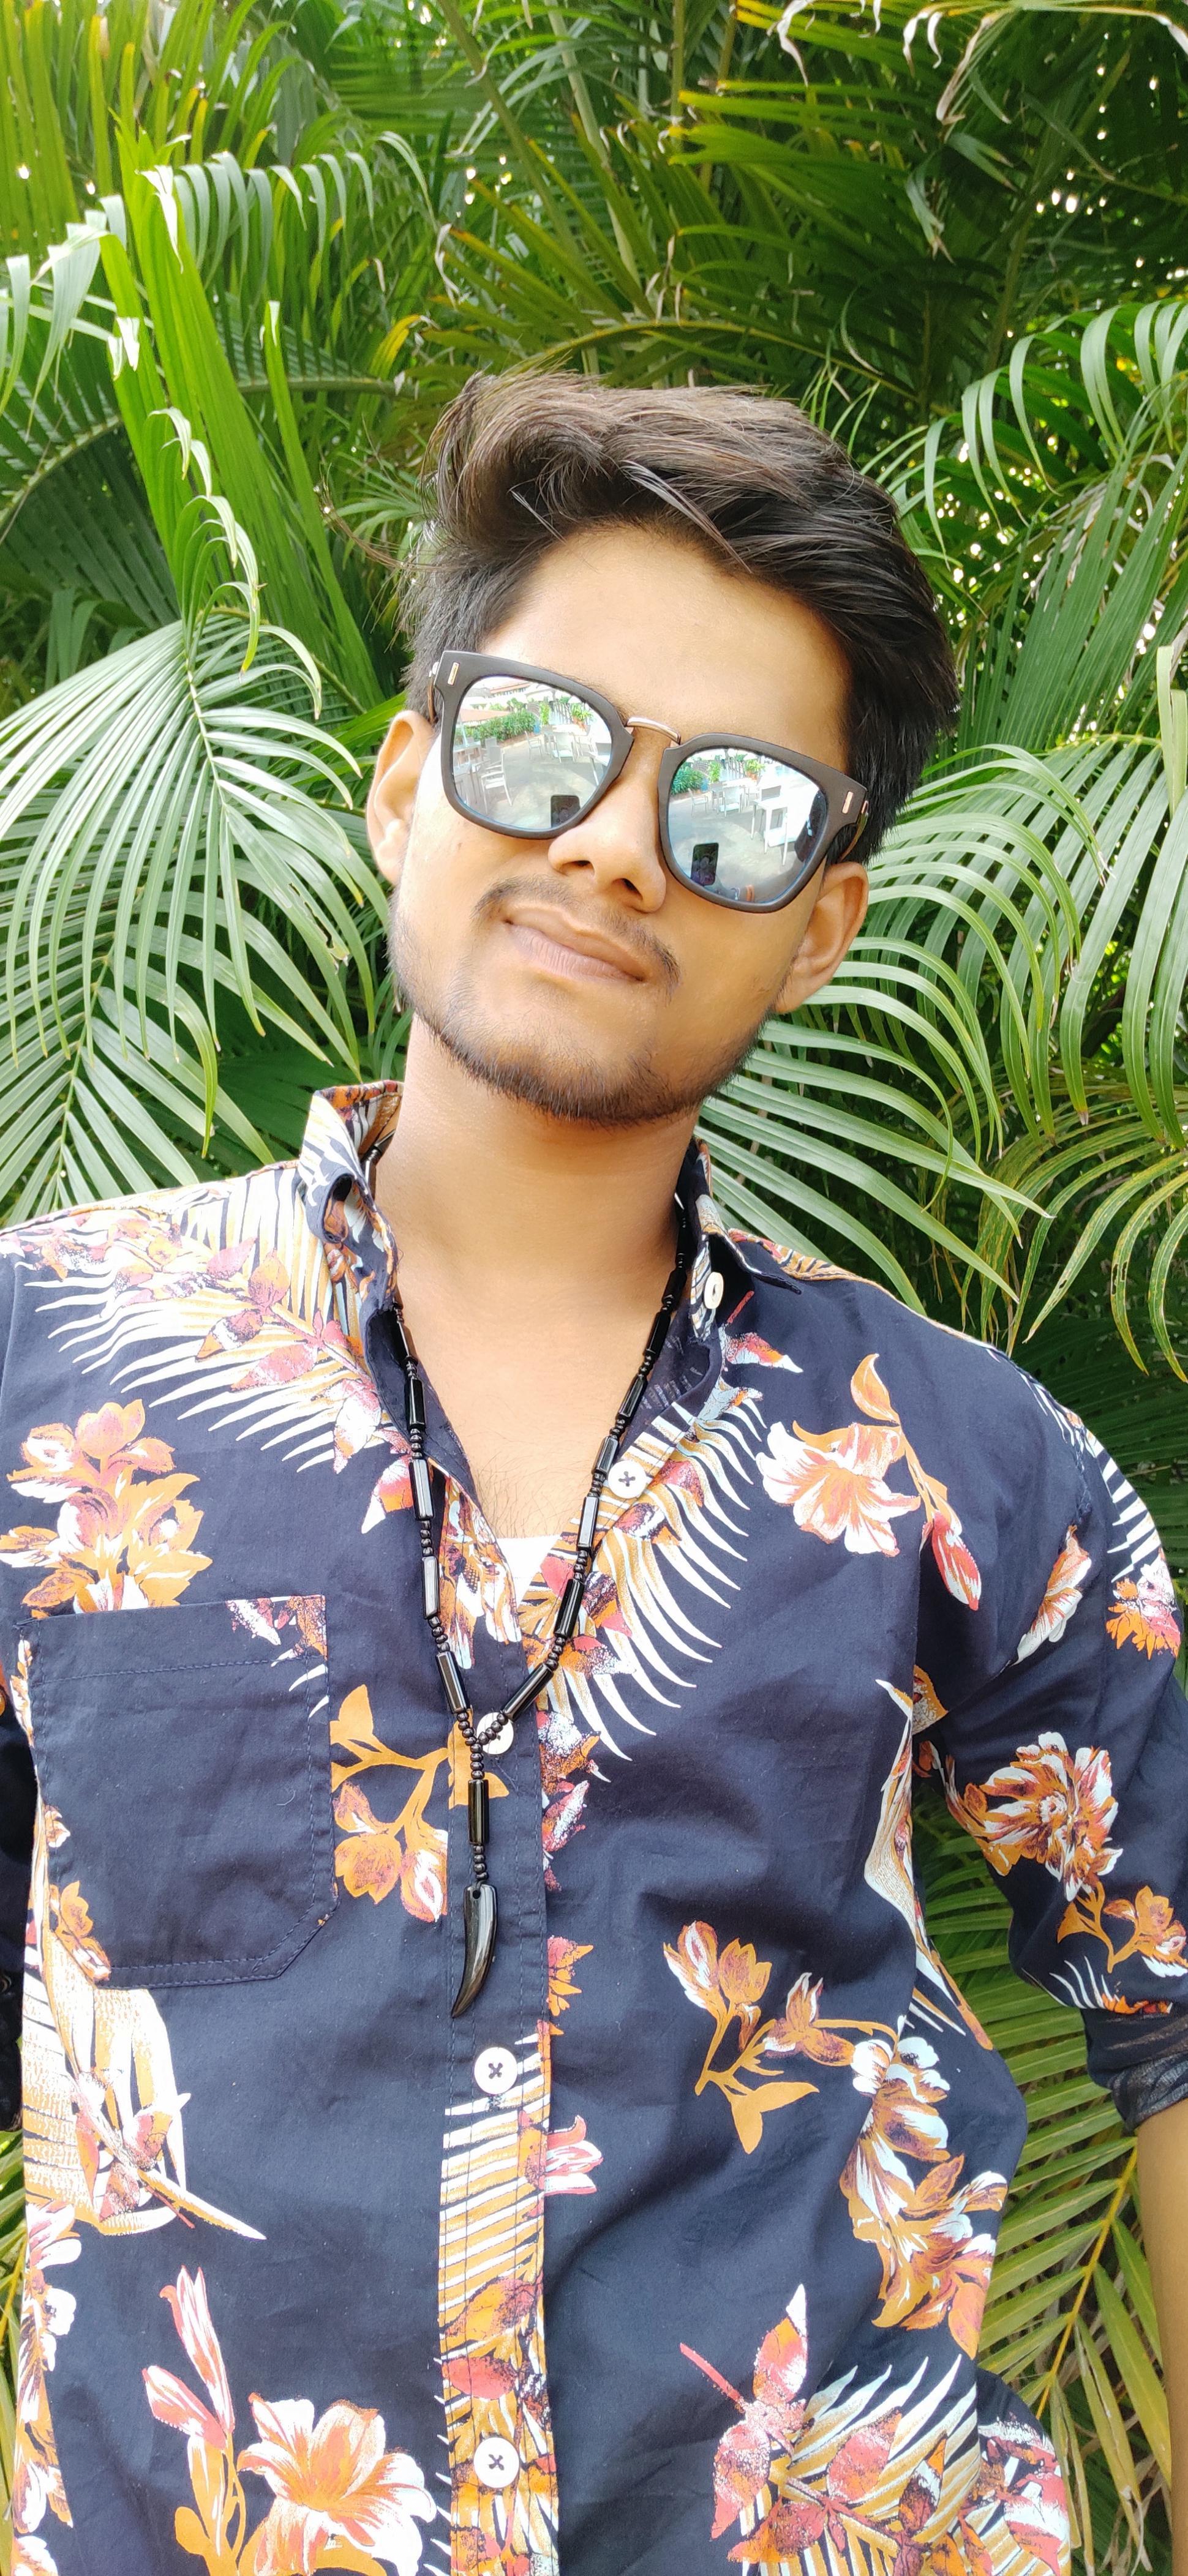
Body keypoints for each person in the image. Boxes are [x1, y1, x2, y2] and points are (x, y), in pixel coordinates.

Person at [0, 373, 1184, 2576]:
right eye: (545, 745)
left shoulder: (964, 1456)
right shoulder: (41, 1375)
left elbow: (1172, 2019)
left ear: (816, 924)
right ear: (405, 784)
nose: (618, 846)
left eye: (733, 809)